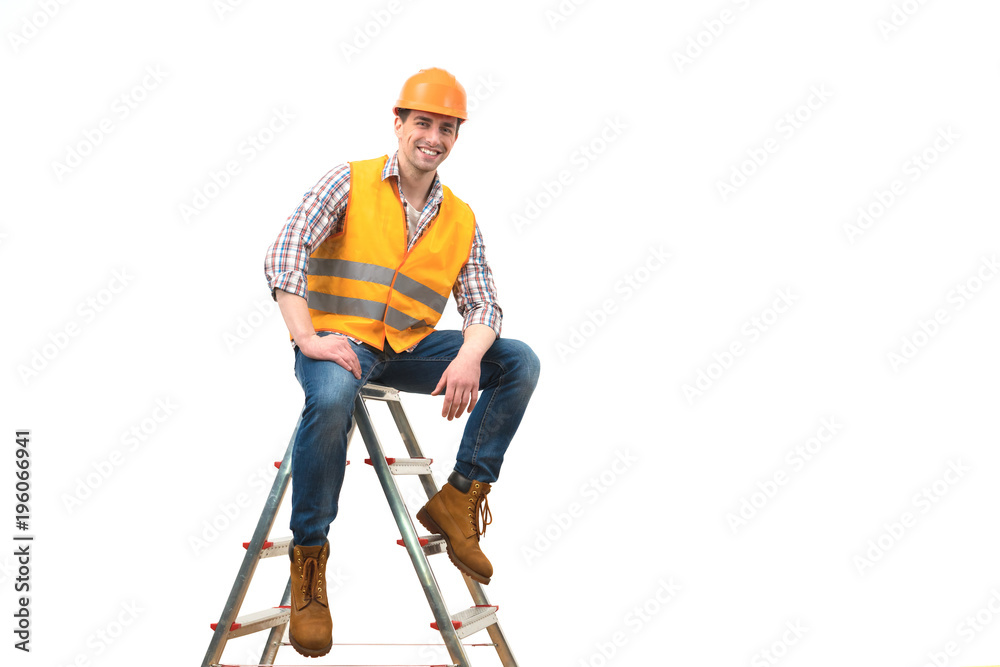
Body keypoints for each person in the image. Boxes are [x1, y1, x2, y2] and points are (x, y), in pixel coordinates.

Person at [263, 67, 540, 658]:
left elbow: (484, 301)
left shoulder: (460, 216)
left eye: (446, 128)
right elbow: (284, 251)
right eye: (422, 123)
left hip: (408, 350)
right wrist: (307, 338)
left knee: (517, 361)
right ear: (399, 122)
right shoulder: (351, 181)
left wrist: (469, 354)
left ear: (456, 136)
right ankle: (309, 564)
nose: (432, 137)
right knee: (334, 396)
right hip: (340, 346)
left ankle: (460, 496)